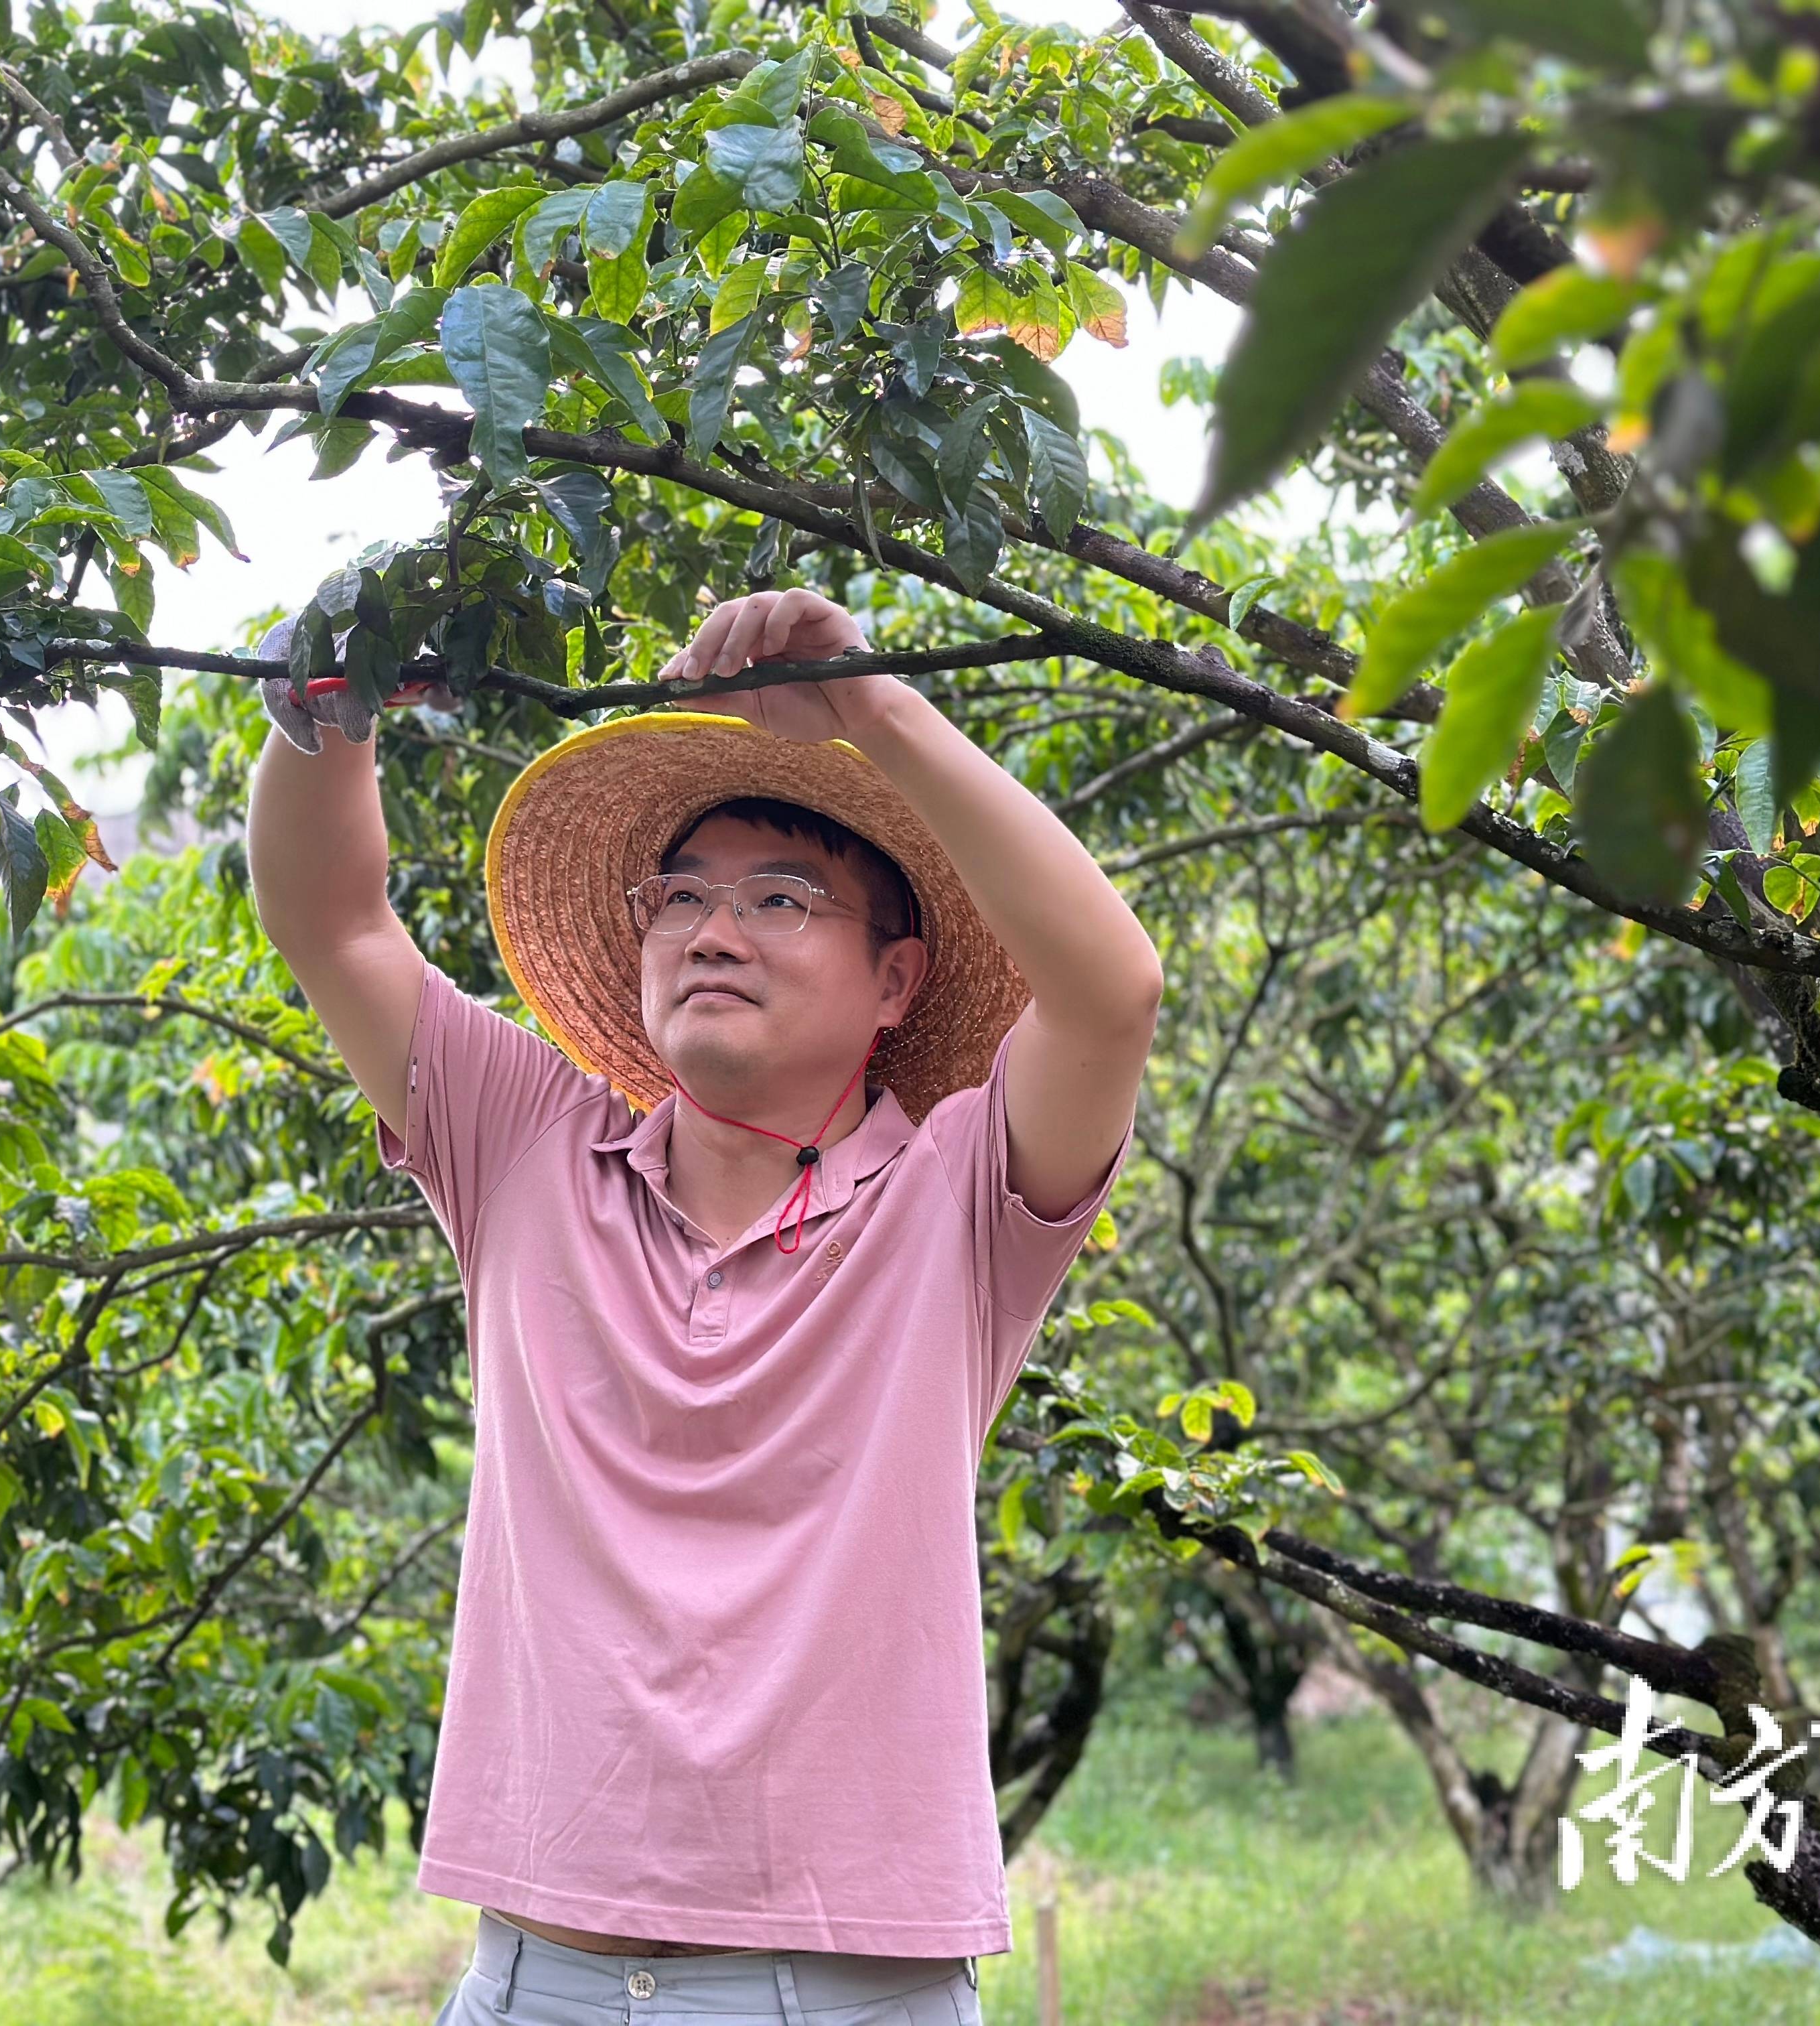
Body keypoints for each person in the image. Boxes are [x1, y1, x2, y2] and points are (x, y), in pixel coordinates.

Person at [246, 586, 1163, 2025]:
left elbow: (1110, 993)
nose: (713, 931)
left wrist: (873, 702)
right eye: (681, 897)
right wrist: (329, 695)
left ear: (895, 979)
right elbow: (331, 922)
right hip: (529, 1975)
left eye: (778, 899)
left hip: (845, 1987)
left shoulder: (957, 1200)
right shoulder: (527, 1147)